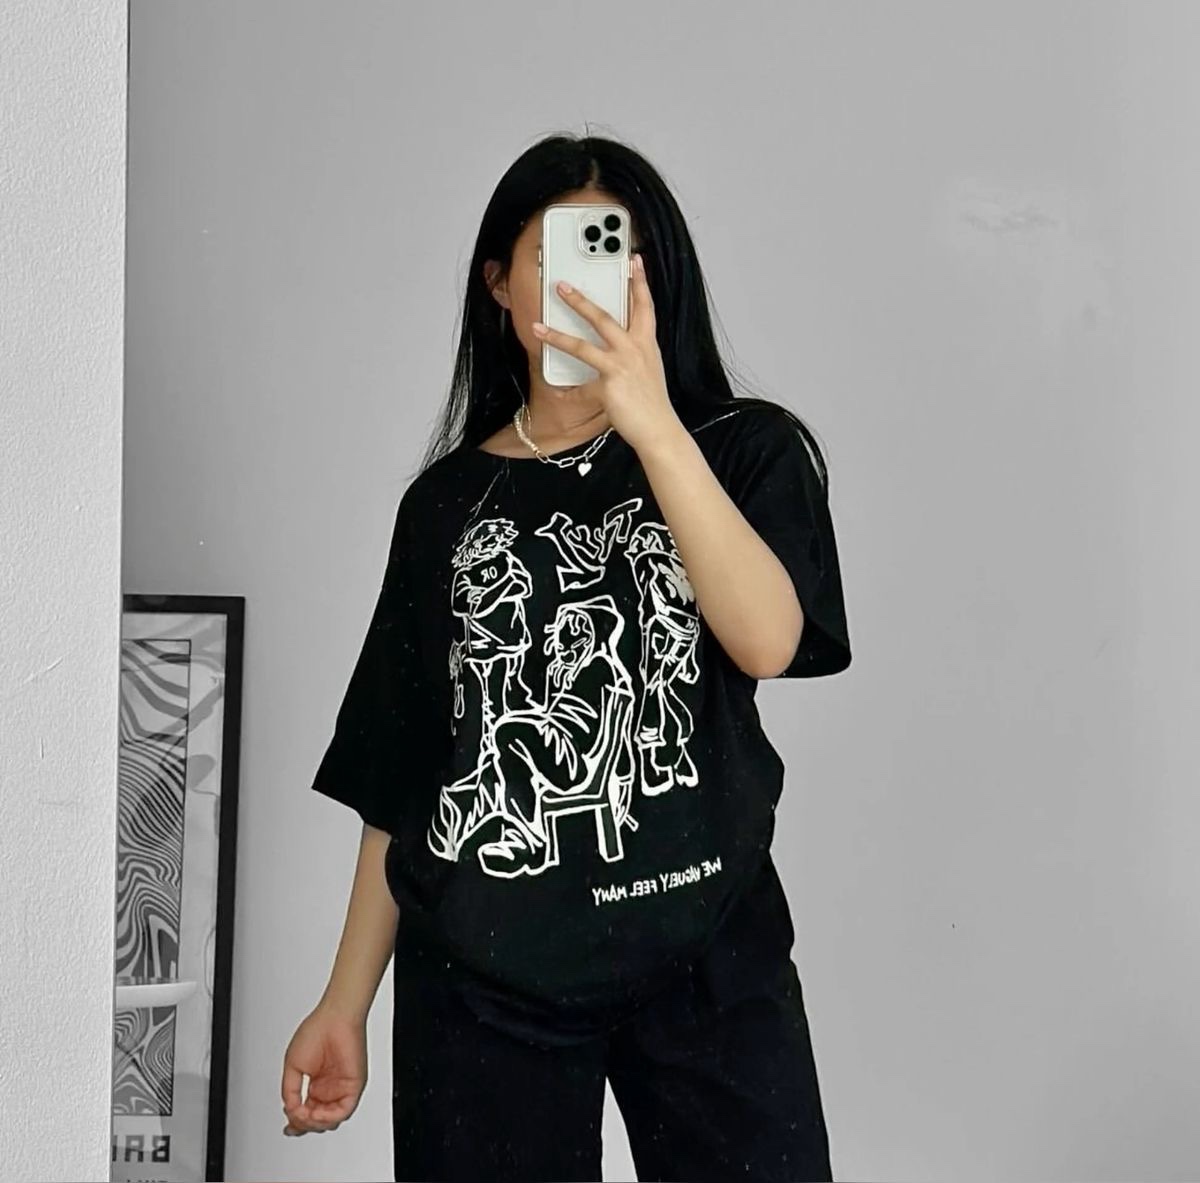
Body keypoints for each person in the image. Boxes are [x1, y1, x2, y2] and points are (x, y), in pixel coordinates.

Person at [281, 131, 853, 1183]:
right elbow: (406, 772)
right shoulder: (447, 505)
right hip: (483, 974)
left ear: (654, 278)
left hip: (708, 950)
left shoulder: (743, 450)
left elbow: (767, 637)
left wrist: (652, 422)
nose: (584, 283)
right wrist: (343, 1001)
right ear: (499, 282)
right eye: (553, 256)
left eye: (613, 254)